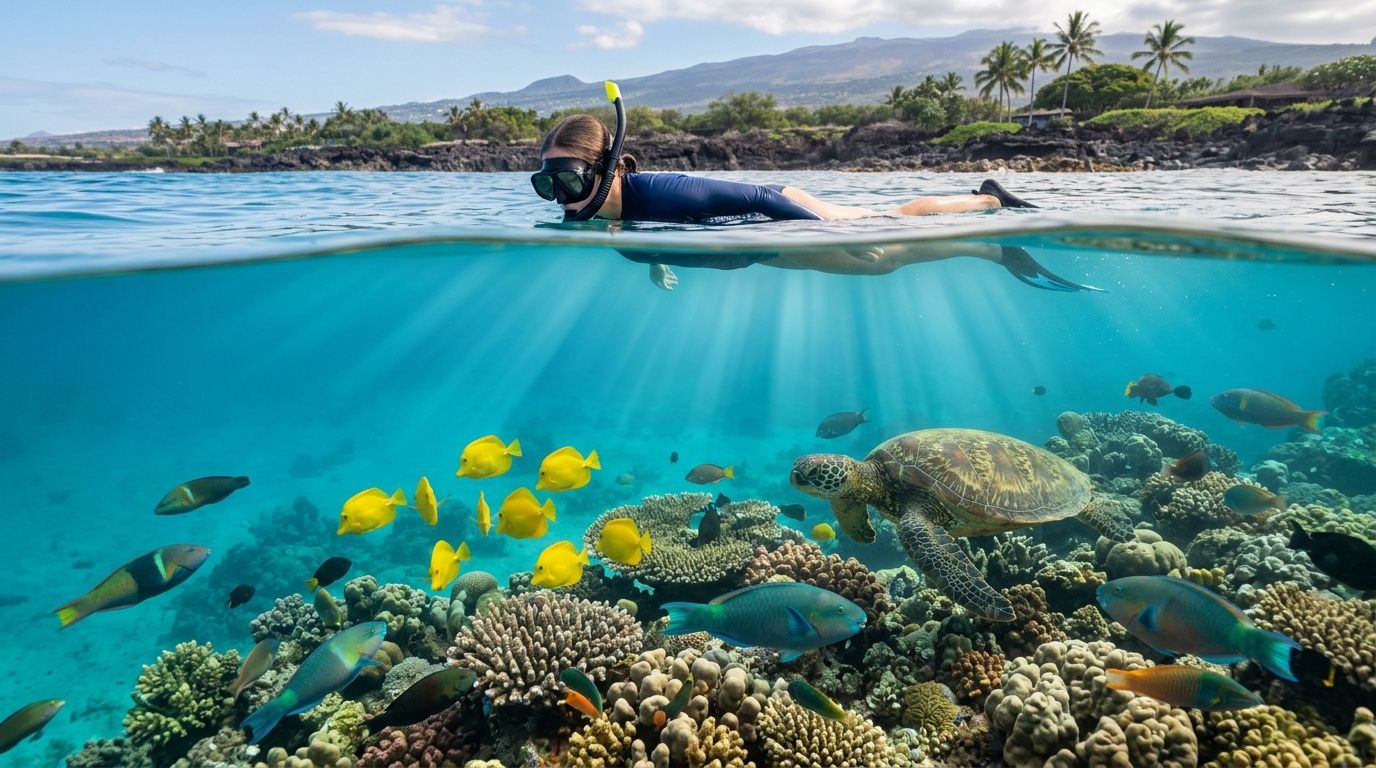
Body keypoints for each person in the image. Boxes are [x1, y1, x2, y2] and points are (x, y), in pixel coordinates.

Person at [530, 83, 1096, 292]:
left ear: (605, 169)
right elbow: (644, 234)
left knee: (881, 247)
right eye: (545, 185)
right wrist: (652, 259)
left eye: (568, 179)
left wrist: (830, 236)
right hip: (764, 250)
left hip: (783, 218)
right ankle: (992, 224)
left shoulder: (668, 191)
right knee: (886, 245)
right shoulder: (606, 217)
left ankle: (995, 221)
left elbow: (760, 200)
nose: (560, 198)